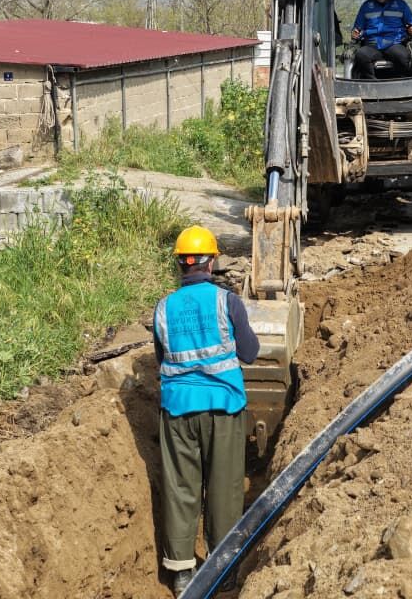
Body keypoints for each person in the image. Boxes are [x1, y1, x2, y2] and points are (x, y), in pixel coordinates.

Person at [154, 225, 260, 595]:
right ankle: (223, 567)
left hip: (178, 411)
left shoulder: (163, 308)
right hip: (223, 406)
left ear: (181, 265)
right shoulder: (226, 302)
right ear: (211, 262)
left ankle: (181, 571)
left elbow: (161, 359)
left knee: (181, 486)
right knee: (224, 487)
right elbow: (249, 352)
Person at [350, 0, 412, 79]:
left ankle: (399, 81)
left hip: (394, 43)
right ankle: (372, 85)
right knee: (361, 55)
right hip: (372, 44)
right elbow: (357, 28)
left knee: (402, 56)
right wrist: (355, 33)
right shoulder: (366, 6)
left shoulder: (400, 4)